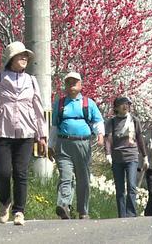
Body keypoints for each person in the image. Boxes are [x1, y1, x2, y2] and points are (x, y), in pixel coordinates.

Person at [0, 41, 47, 226]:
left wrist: (42, 135)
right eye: (21, 55)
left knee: (21, 173)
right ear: (11, 59)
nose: (24, 58)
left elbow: (38, 108)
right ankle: (4, 200)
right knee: (3, 172)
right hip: (2, 131)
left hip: (26, 132)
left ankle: (19, 211)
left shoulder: (32, 81)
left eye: (26, 56)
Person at [48, 72, 104, 220]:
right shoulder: (59, 104)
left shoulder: (88, 103)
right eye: (69, 82)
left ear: (80, 85)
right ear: (65, 85)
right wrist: (50, 145)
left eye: (75, 81)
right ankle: (64, 205)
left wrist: (100, 135)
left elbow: (98, 121)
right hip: (63, 144)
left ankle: (83, 210)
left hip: (82, 144)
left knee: (83, 178)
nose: (72, 84)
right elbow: (54, 126)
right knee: (65, 176)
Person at [104, 97, 147, 218]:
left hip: (132, 157)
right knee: (120, 188)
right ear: (116, 107)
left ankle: (131, 213)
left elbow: (139, 138)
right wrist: (108, 154)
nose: (125, 106)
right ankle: (122, 215)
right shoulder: (111, 122)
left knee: (132, 185)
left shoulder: (134, 120)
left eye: (127, 104)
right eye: (122, 104)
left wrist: (145, 156)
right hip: (117, 158)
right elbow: (108, 139)